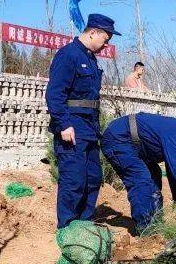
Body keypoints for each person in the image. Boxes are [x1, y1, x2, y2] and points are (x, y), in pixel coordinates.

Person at [46, 13, 120, 229]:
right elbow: (55, 93)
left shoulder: (90, 58)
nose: (106, 44)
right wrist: (63, 124)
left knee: (93, 178)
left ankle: (84, 224)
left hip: (89, 129)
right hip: (72, 127)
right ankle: (67, 229)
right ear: (93, 32)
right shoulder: (68, 55)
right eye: (105, 39)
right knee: (73, 181)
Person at [100, 113, 176, 232]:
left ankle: (156, 224)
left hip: (134, 145)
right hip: (119, 139)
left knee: (155, 174)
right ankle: (145, 230)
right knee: (141, 180)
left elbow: (172, 169)